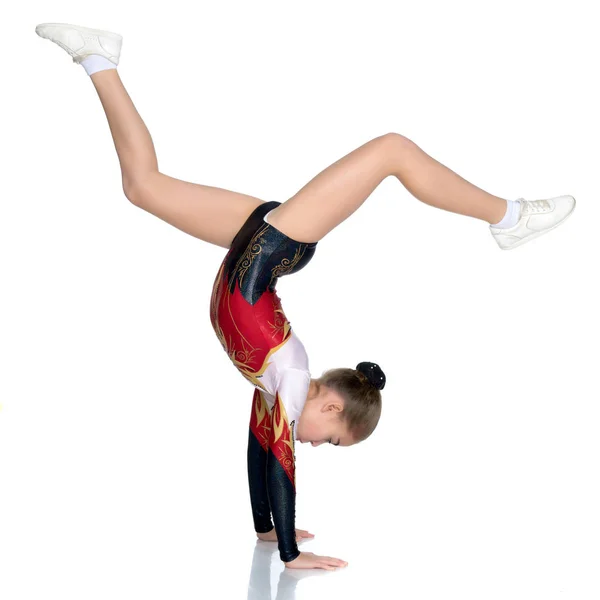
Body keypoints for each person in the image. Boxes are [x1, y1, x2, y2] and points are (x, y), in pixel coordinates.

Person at [34, 22, 576, 571]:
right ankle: (511, 217)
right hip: (275, 247)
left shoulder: (274, 389)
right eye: (332, 441)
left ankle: (97, 60)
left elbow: (258, 453)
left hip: (254, 247)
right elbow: (282, 467)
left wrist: (267, 530)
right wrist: (293, 556)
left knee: (141, 186)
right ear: (332, 406)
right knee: (393, 150)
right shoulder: (291, 381)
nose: (315, 446)